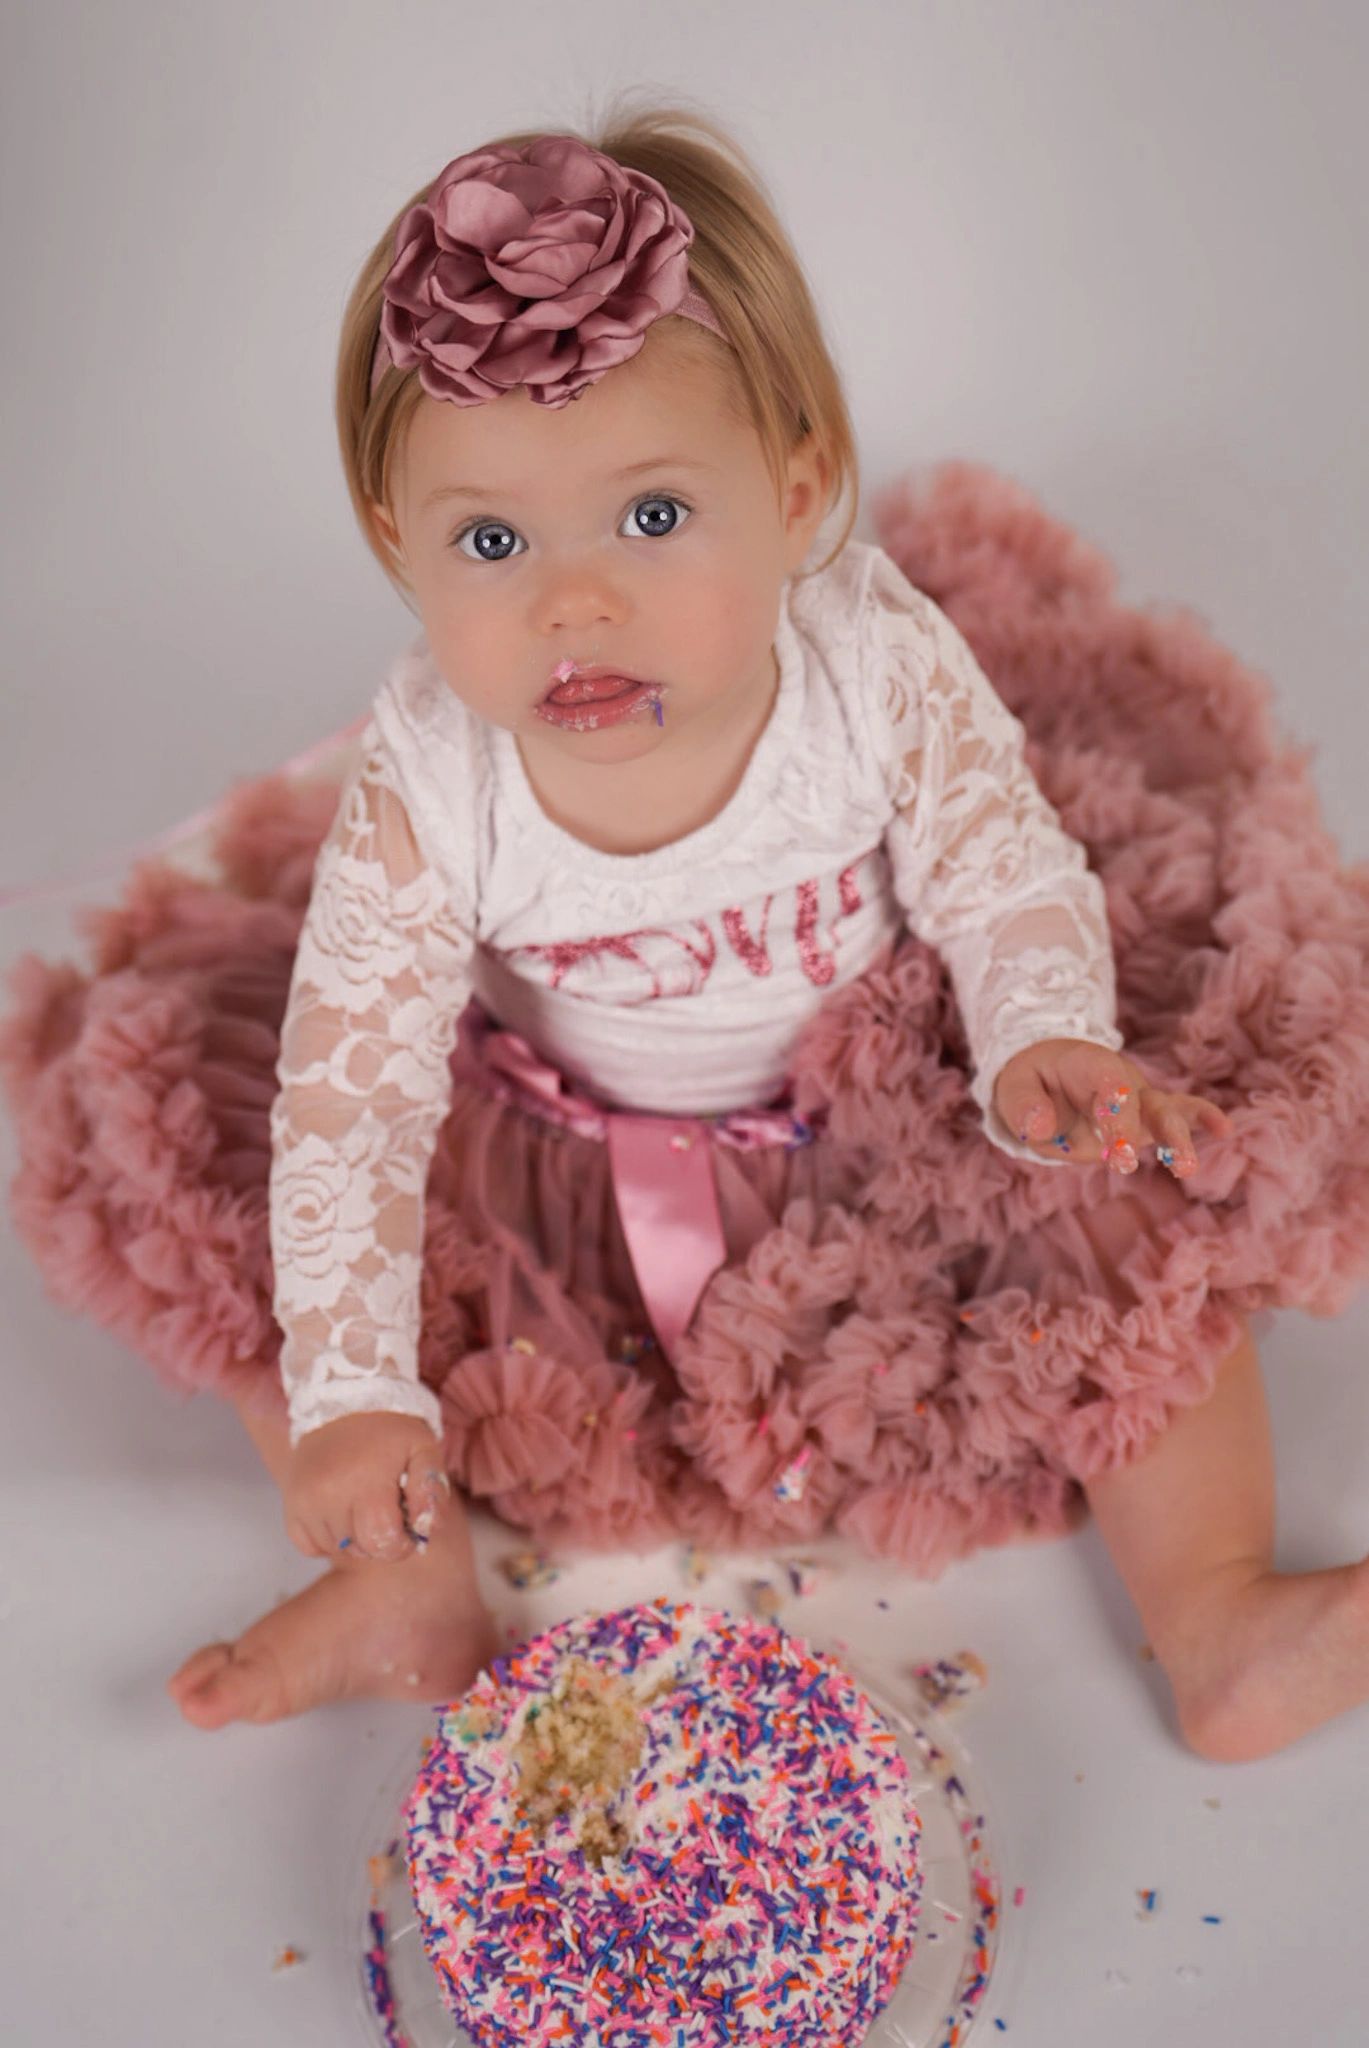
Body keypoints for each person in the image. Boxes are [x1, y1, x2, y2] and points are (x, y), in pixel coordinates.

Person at [6, 100, 1368, 1763]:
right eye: (491, 542)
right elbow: (354, 1108)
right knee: (222, 1207)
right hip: (549, 1167)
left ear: (794, 492)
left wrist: (1037, 1040)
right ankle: (398, 1582)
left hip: (879, 1117)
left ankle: (1217, 1611)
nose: (574, 600)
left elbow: (1000, 864)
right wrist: (362, 1394)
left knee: (1126, 1236)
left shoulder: (866, 659)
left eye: (652, 518)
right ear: (396, 546)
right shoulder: (432, 778)